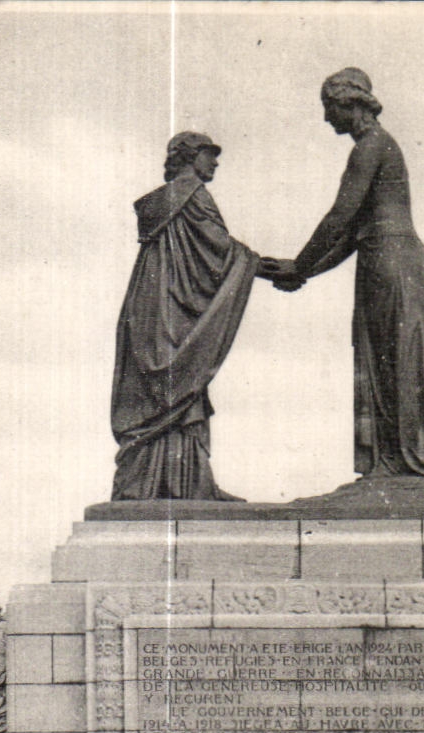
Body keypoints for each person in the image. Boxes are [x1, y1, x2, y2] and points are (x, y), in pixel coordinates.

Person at [267, 69, 424, 497]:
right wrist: (302, 270)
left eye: (329, 108)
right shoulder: (375, 146)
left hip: (395, 266)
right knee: (392, 362)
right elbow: (351, 234)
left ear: (350, 103)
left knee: (403, 362)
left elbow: (340, 218)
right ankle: (399, 461)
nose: (327, 119)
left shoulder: (371, 147)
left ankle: (417, 463)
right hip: (388, 263)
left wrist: (298, 267)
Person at [111, 131, 281, 501]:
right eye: (209, 154)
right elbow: (220, 251)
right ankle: (176, 486)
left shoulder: (170, 200)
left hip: (153, 309)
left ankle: (181, 484)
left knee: (173, 391)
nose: (215, 162)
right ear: (189, 157)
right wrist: (272, 269)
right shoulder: (193, 196)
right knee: (181, 386)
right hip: (170, 314)